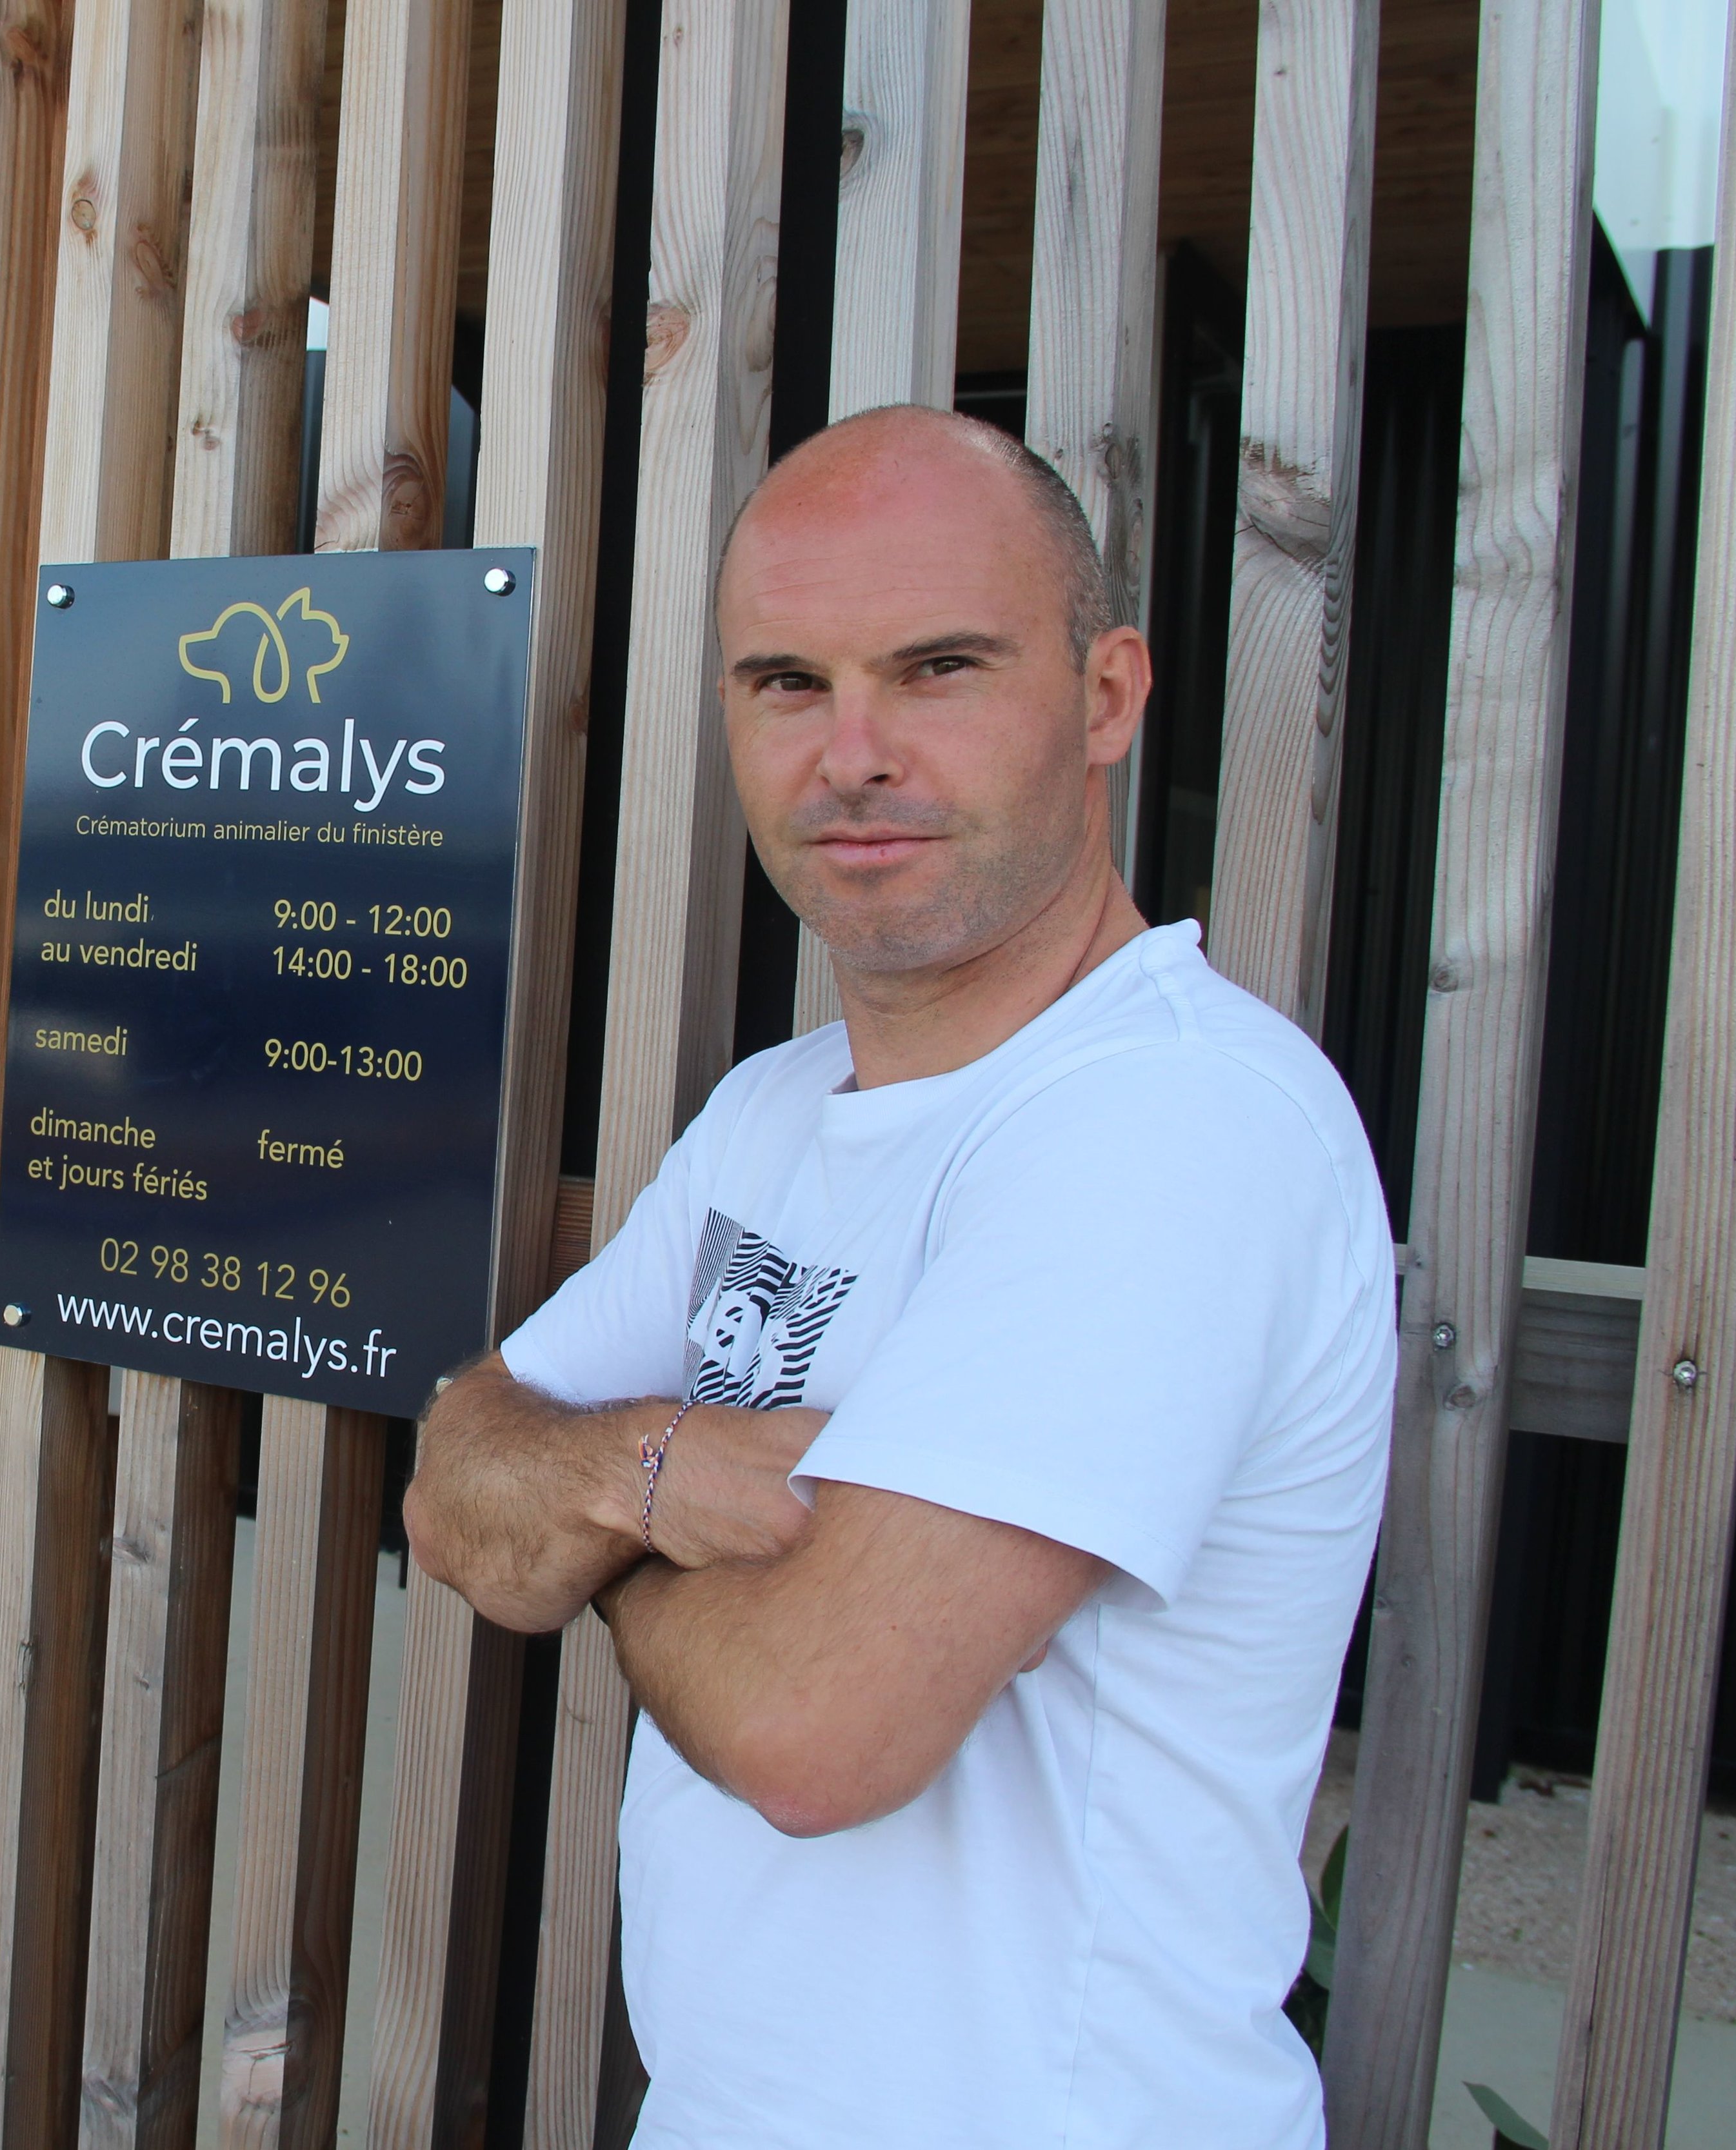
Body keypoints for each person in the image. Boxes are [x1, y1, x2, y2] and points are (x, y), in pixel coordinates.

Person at [403, 407, 1394, 2147]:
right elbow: (456, 1472)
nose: (852, 752)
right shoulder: (775, 1112)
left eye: (937, 668)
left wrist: (602, 1507)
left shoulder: (1175, 1120)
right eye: (787, 682)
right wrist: (658, 1467)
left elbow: (814, 1726)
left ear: (1106, 697)